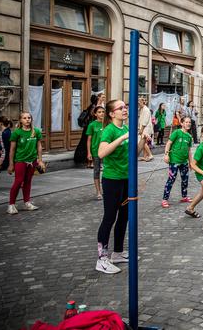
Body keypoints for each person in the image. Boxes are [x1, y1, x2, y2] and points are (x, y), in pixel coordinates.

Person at [95, 99, 130, 274]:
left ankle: (118, 252)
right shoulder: (109, 130)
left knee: (124, 216)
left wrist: (141, 141)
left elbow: (133, 153)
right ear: (111, 113)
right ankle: (102, 259)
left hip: (126, 179)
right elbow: (101, 153)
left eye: (125, 107)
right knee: (110, 217)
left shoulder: (126, 128)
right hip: (112, 180)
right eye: (121, 108)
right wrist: (122, 138)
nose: (125, 110)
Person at [6, 112, 43, 214]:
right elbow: (12, 150)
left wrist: (40, 160)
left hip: (32, 161)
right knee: (18, 181)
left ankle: (27, 203)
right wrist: (11, 164)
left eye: (29, 118)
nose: (27, 119)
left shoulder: (36, 131)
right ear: (20, 120)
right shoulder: (17, 133)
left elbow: (39, 146)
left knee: (28, 182)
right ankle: (11, 205)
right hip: (20, 161)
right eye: (25, 118)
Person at [162, 116, 194, 208]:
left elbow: (189, 150)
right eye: (186, 122)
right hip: (174, 161)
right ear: (182, 123)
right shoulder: (176, 132)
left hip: (184, 162)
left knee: (185, 180)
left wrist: (191, 162)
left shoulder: (189, 136)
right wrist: (166, 154)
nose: (188, 124)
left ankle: (184, 196)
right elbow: (169, 143)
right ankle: (164, 199)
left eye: (189, 122)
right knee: (171, 180)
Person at [86, 106, 106, 200]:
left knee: (107, 170)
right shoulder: (92, 125)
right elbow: (89, 140)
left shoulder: (107, 124)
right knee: (96, 171)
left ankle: (106, 189)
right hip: (95, 151)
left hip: (106, 150)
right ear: (95, 114)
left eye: (103, 111)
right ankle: (98, 192)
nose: (101, 113)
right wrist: (89, 153)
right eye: (99, 112)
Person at [74, 94, 99, 166]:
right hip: (90, 128)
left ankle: (86, 161)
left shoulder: (90, 106)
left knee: (83, 143)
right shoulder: (94, 107)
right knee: (88, 144)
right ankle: (88, 162)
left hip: (87, 128)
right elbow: (93, 117)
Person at [137, 97, 154, 162]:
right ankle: (145, 156)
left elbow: (145, 120)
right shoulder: (142, 109)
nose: (138, 103)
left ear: (142, 102)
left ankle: (150, 155)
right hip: (144, 128)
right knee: (144, 142)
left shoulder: (146, 109)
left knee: (143, 142)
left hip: (146, 128)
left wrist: (141, 129)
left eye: (139, 102)